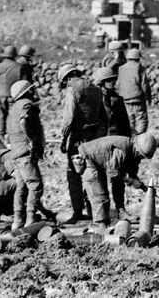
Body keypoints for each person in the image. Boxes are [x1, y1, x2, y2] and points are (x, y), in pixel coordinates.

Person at [75, 134, 157, 227]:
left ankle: (120, 212)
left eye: (143, 157)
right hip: (88, 159)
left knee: (119, 185)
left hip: (103, 161)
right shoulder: (121, 151)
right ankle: (100, 223)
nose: (141, 158)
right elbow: (114, 175)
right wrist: (132, 181)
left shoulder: (134, 153)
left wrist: (143, 186)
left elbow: (131, 171)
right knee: (100, 194)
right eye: (141, 155)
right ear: (137, 148)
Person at [58, 64, 106, 224]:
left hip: (78, 137)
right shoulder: (96, 89)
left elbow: (69, 118)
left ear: (67, 78)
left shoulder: (72, 89)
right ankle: (94, 211)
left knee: (74, 174)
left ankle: (78, 211)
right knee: (93, 173)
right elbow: (103, 117)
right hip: (94, 137)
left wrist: (64, 139)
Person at [6, 80, 45, 230]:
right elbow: (24, 121)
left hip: (17, 152)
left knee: (21, 187)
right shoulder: (26, 104)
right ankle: (30, 219)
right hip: (25, 151)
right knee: (35, 185)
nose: (33, 92)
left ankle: (17, 221)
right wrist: (32, 139)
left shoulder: (13, 107)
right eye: (31, 90)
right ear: (26, 92)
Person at [0, 45, 23, 142]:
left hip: (1, 96)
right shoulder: (20, 67)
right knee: (14, 116)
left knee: (1, 116)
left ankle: (1, 136)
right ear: (14, 55)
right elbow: (24, 82)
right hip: (14, 96)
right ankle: (12, 136)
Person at [117, 48, 152, 135]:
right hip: (138, 98)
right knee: (142, 120)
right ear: (138, 58)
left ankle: (130, 138)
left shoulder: (121, 68)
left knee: (129, 120)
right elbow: (144, 85)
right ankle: (140, 139)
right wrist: (148, 97)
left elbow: (118, 84)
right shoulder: (140, 68)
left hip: (124, 98)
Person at [92, 67, 131, 137]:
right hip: (100, 138)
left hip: (116, 136)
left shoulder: (118, 100)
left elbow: (125, 123)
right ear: (100, 83)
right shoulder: (95, 100)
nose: (112, 84)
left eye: (113, 80)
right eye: (108, 81)